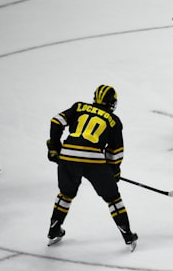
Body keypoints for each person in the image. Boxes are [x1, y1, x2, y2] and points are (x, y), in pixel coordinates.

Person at [45, 85, 138, 251]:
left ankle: (54, 230)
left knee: (66, 194)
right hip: (93, 160)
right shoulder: (114, 120)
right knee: (113, 198)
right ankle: (127, 235)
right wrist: (114, 172)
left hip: (68, 156)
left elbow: (56, 121)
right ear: (112, 102)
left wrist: (54, 145)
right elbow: (115, 152)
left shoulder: (79, 106)